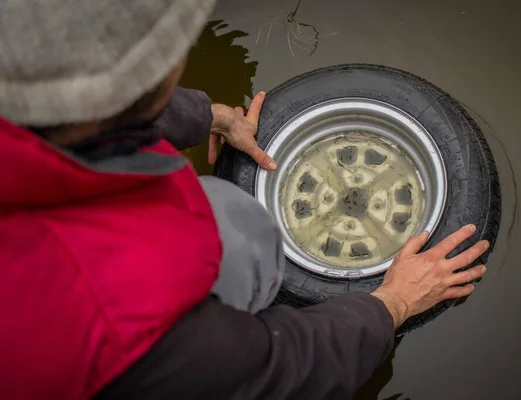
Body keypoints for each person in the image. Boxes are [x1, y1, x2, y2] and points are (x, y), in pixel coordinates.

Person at [0, 0, 489, 399]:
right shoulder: (126, 327)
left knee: (231, 215)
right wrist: (392, 302)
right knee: (240, 229)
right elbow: (282, 371)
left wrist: (208, 117)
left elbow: (82, 109)